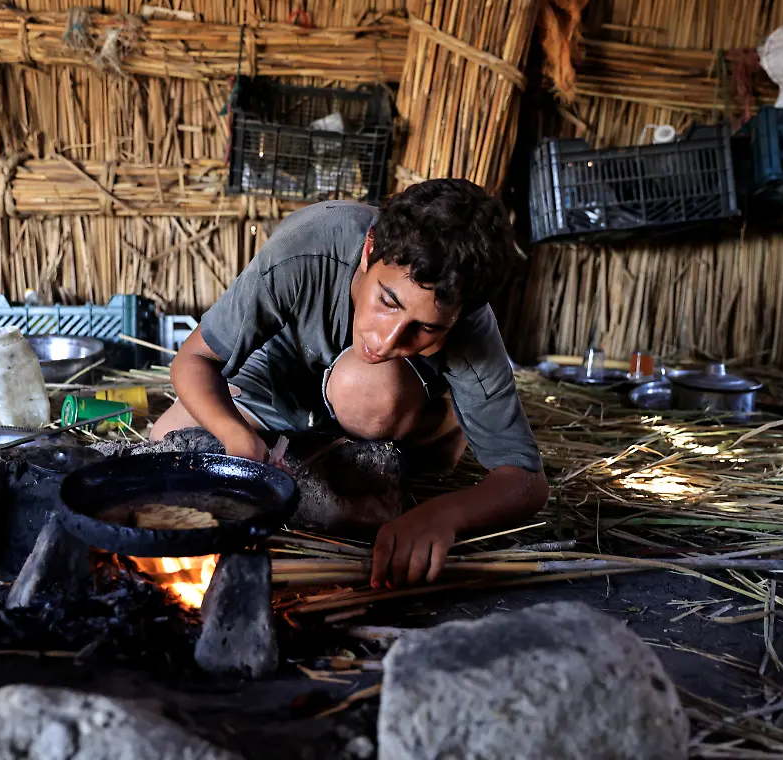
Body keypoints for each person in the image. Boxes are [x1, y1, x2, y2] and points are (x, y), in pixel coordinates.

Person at [152, 178, 548, 588]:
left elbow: (526, 480)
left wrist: (442, 516)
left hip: (378, 398)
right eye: (387, 302)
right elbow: (194, 358)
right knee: (165, 436)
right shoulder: (306, 247)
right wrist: (238, 440)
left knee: (368, 388)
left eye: (426, 328)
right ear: (369, 251)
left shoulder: (469, 320)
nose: (386, 339)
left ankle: (433, 433)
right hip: (280, 375)